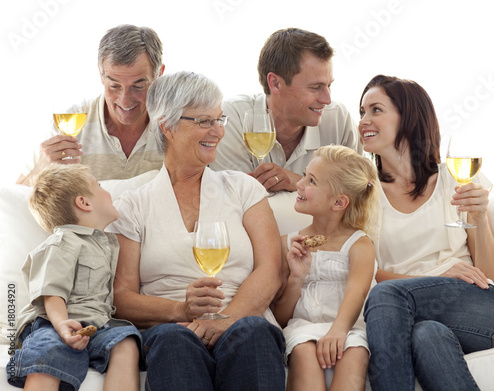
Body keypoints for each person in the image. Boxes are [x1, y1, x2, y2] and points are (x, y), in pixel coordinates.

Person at [107, 71, 285, 390]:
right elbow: (121, 297)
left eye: (220, 119)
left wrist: (226, 319)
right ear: (168, 127)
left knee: (255, 333)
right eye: (204, 121)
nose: (218, 131)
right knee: (173, 339)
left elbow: (271, 270)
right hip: (173, 330)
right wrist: (181, 309)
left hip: (243, 323)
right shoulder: (133, 206)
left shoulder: (243, 189)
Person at [359, 75, 494, 391]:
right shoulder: (361, 195)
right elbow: (362, 273)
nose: (363, 121)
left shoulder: (455, 180)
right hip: (410, 319)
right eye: (362, 111)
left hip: (479, 307)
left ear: (408, 118)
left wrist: (477, 214)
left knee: (386, 295)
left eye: (375, 110)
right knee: (427, 335)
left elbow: (491, 275)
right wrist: (439, 278)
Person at [7, 164, 142, 391]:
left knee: (127, 342)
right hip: (52, 323)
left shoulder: (105, 244)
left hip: (97, 324)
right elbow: (52, 293)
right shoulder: (62, 243)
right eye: (99, 186)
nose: (106, 191)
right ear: (84, 203)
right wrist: (61, 325)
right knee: (49, 351)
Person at [273, 145, 379, 391]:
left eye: (311, 181)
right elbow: (281, 318)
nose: (299, 184)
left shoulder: (359, 244)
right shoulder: (287, 244)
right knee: (302, 352)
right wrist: (296, 278)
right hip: (302, 328)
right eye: (304, 175)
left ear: (339, 202)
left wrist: (338, 331)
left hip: (349, 327)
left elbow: (357, 291)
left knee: (356, 355)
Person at [209, 27, 362, 192]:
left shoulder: (339, 120)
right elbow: (237, 202)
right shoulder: (232, 118)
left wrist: (297, 182)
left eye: (329, 85)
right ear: (275, 83)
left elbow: (359, 197)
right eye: (315, 87)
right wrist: (319, 189)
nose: (327, 99)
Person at [17, 24, 165, 186]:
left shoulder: (174, 124)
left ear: (159, 75)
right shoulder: (70, 124)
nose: (125, 100)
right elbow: (14, 200)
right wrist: (40, 171)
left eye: (138, 86)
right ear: (101, 76)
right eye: (114, 86)